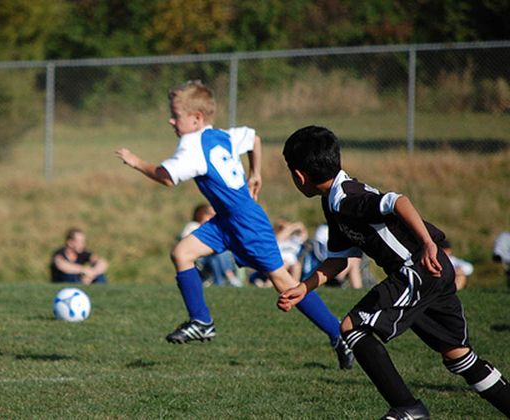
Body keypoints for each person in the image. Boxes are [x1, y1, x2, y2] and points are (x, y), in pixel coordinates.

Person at [115, 80, 353, 370]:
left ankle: (340, 334)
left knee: (286, 285)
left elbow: (166, 177)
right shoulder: (219, 136)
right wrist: (256, 173)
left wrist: (135, 161)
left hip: (246, 223)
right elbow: (254, 138)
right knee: (182, 253)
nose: (171, 120)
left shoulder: (192, 147)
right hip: (227, 220)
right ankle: (202, 321)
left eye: (176, 115)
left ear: (196, 118)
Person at [279, 125, 510, 419]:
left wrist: (426, 243)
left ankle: (408, 408)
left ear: (300, 176)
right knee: (458, 355)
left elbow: (396, 201)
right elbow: (338, 259)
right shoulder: (334, 199)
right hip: (430, 270)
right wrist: (305, 286)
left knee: (351, 327)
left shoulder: (347, 198)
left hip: (416, 269)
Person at [180, 204, 243, 287]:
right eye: (208, 214)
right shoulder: (193, 226)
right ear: (201, 214)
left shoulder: (214, 228)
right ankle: (230, 277)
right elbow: (184, 243)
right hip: (199, 257)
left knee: (217, 255)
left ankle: (220, 282)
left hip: (214, 255)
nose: (212, 216)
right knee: (218, 252)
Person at [301, 224, 367, 289]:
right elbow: (318, 249)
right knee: (352, 260)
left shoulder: (342, 229)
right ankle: (339, 280)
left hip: (337, 258)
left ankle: (355, 288)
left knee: (354, 260)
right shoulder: (323, 229)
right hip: (326, 260)